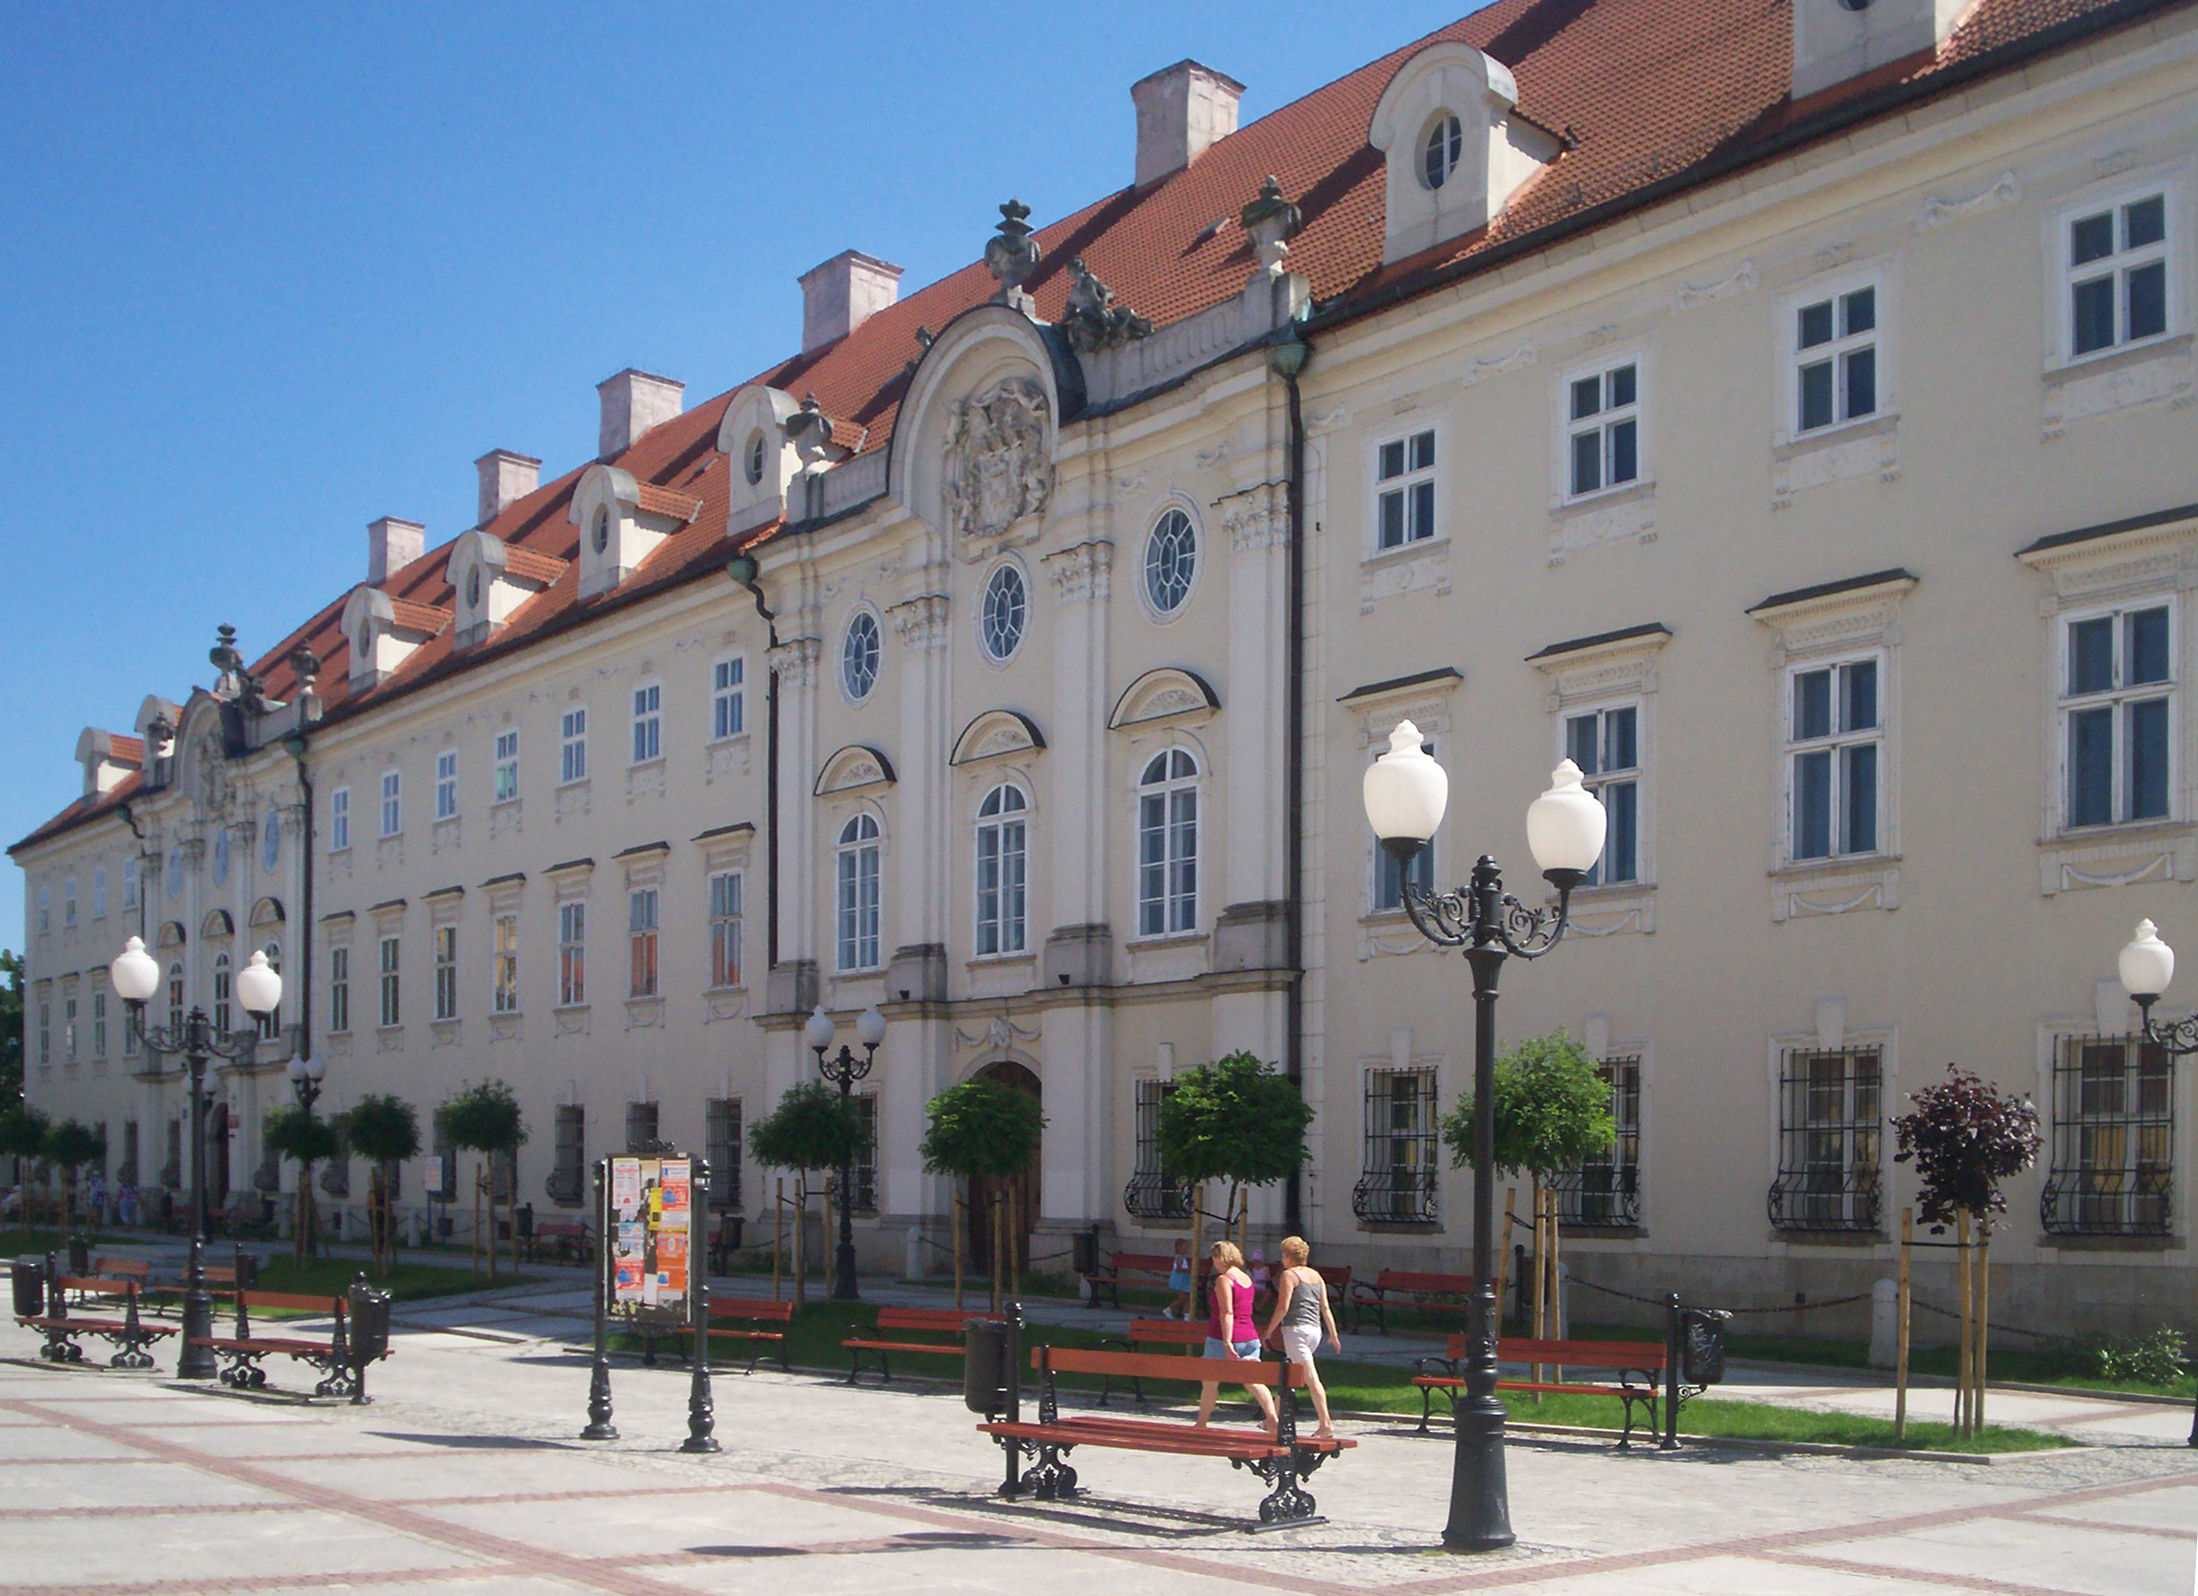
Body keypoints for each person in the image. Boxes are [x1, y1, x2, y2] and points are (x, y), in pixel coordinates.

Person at [1194, 1239, 1279, 1434]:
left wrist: (1226, 1341)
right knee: (1254, 1381)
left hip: (1221, 1336)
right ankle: (1273, 1418)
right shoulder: (1246, 1278)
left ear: (1220, 1258)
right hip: (1249, 1335)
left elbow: (1227, 1312)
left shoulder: (1224, 1279)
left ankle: (1201, 1423)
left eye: (1214, 1258)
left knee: (1210, 1382)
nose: (1213, 1263)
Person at [1262, 1235, 1342, 1438]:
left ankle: (1326, 1423)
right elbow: (1325, 1307)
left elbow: (1283, 1307)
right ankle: (1272, 1419)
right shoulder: (1316, 1276)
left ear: (1289, 1256)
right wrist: (1333, 1334)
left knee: (1311, 1378)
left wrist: (1268, 1331)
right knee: (1290, 1375)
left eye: (1283, 1255)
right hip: (1314, 1330)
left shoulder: (1289, 1275)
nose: (1282, 1259)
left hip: (1295, 1330)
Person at [1164, 1238, 1193, 1320]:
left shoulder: (1183, 1258)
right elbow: (1178, 1268)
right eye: (1185, 1247)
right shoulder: (1179, 1258)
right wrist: (1188, 1270)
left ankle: (1187, 1315)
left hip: (1184, 1281)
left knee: (1187, 1298)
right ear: (1179, 1248)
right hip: (1180, 1280)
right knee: (1182, 1298)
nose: (1187, 1249)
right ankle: (1169, 1309)